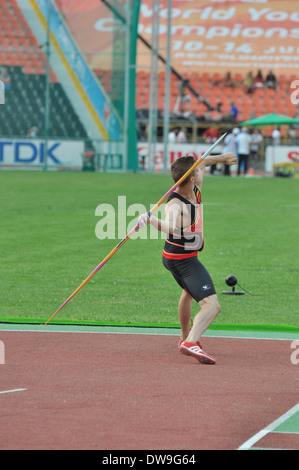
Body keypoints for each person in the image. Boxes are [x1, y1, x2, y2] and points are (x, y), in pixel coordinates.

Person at [138, 151, 237, 364]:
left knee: (188, 292)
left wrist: (222, 158)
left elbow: (203, 162)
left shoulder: (194, 187)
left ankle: (184, 337)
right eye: (198, 171)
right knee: (212, 305)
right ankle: (191, 341)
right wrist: (150, 219)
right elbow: (170, 227)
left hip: (174, 256)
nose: (202, 170)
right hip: (184, 260)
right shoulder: (175, 205)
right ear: (191, 178)